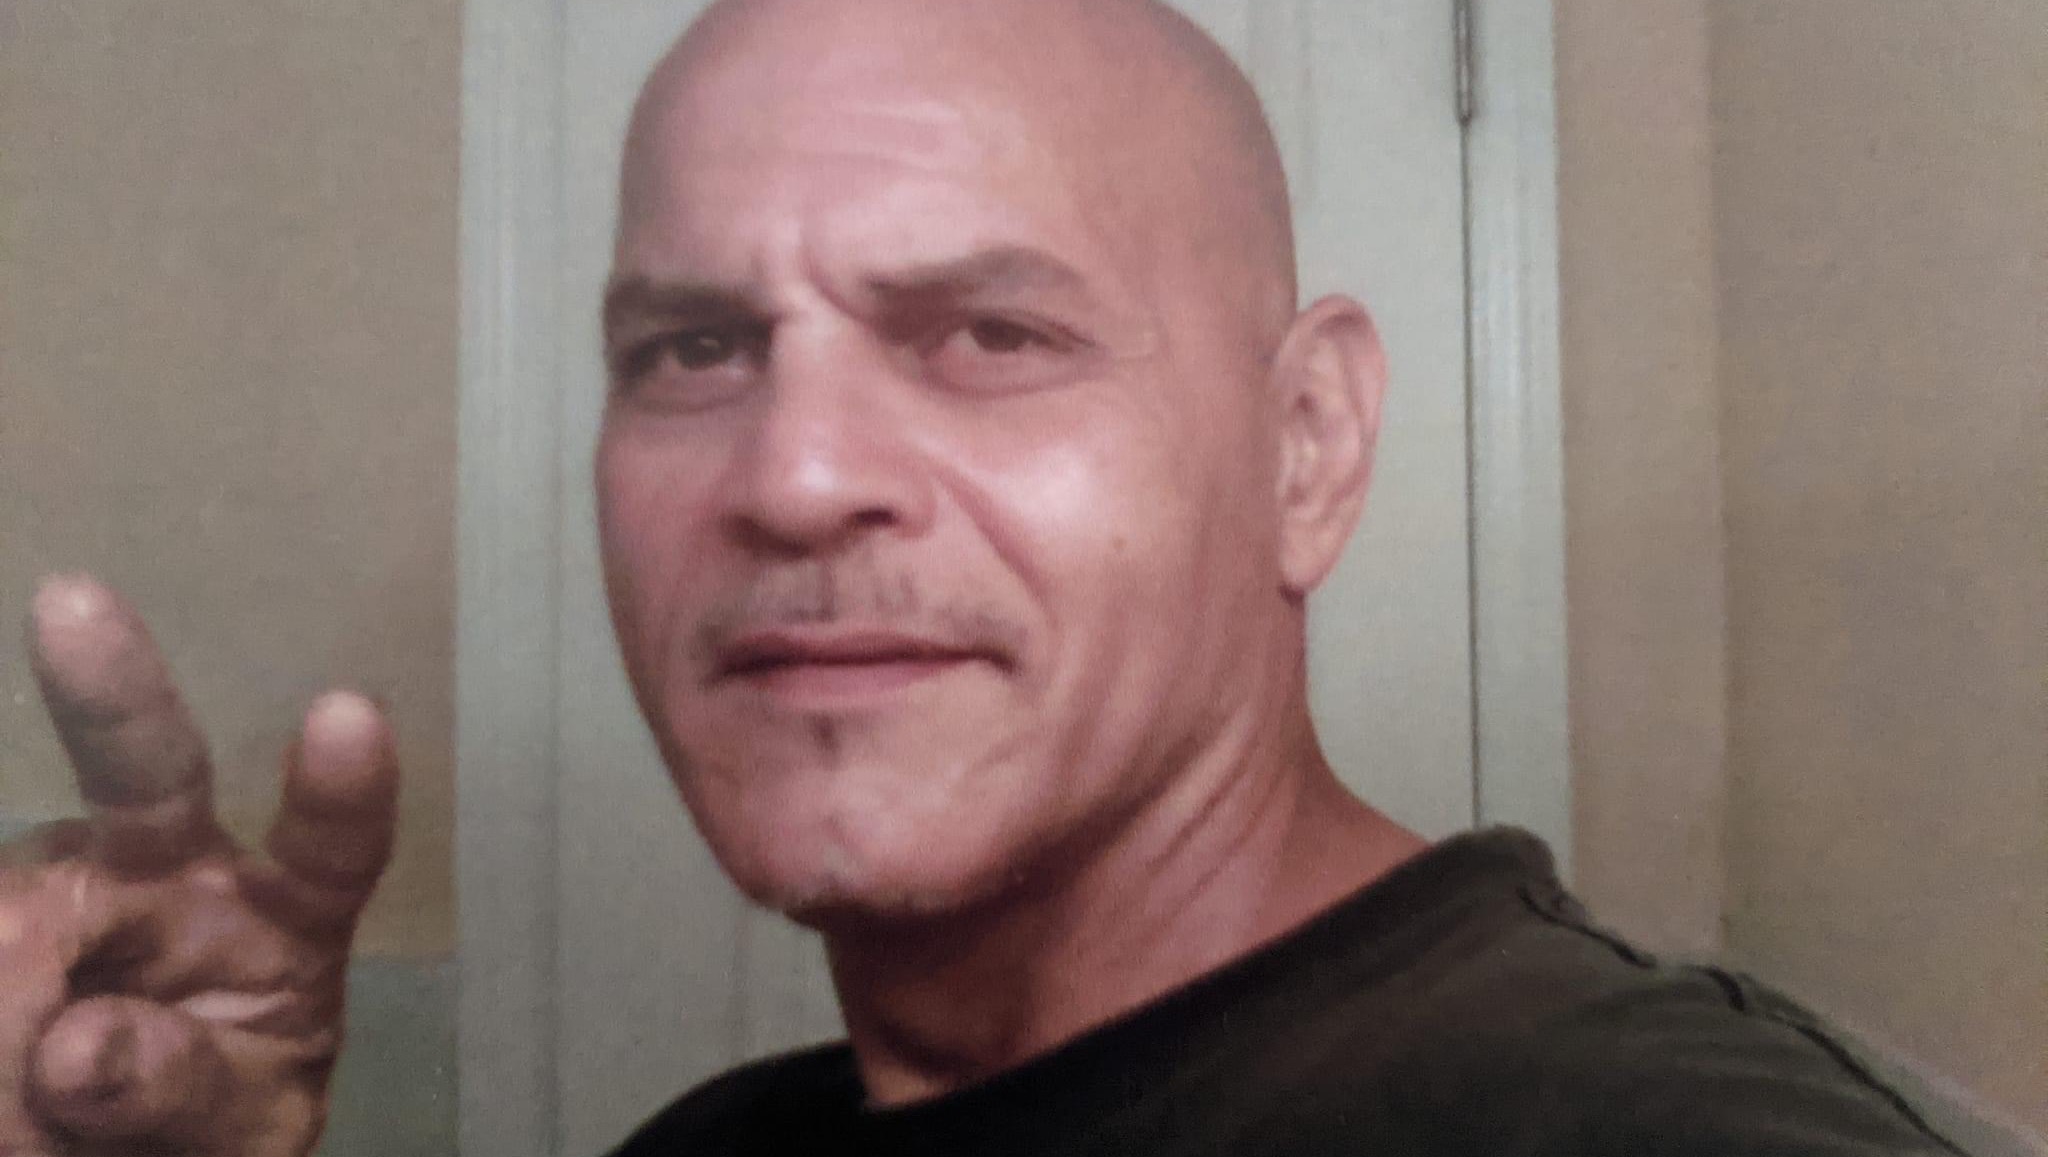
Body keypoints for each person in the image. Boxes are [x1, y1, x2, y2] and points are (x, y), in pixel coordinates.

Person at [1, 0, 1964, 1154]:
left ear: (1305, 447)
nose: (794, 476)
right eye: (693, 349)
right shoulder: (719, 1146)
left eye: (990, 334)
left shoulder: (1635, 1125)